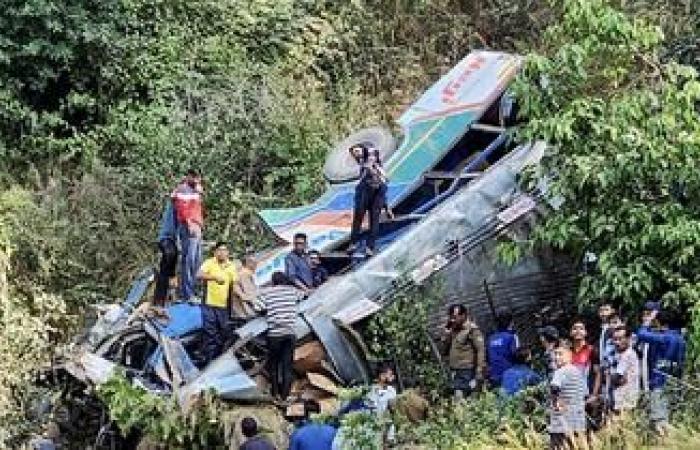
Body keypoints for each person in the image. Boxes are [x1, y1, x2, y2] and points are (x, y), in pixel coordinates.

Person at [636, 308, 686, 434]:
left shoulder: (663, 337)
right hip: (675, 383)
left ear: (659, 322)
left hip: (659, 383)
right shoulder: (681, 339)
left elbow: (641, 334)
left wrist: (647, 321)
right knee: (672, 419)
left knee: (660, 423)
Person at [259, 272, 304, 400]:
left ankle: (275, 393)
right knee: (287, 366)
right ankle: (285, 396)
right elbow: (303, 295)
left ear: (273, 282)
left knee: (273, 364)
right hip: (289, 333)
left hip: (274, 334)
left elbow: (258, 306)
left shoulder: (268, 293)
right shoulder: (292, 291)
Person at [197, 241, 237, 363]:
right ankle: (210, 361)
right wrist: (214, 277)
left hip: (224, 307)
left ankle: (220, 359)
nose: (221, 253)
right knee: (210, 333)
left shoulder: (231, 266)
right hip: (209, 304)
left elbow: (234, 285)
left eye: (224, 250)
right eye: (219, 250)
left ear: (228, 253)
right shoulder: (210, 262)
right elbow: (198, 274)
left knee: (225, 333)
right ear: (215, 252)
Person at [347, 144, 389, 257]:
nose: (371, 157)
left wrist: (386, 207)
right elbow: (364, 169)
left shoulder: (377, 168)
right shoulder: (364, 165)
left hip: (377, 196)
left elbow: (385, 181)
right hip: (365, 194)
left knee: (374, 221)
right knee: (358, 218)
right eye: (369, 155)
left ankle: (369, 247)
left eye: (373, 155)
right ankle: (353, 243)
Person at [172, 169, 204, 301]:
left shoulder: (194, 190)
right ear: (189, 177)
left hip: (197, 225)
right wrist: (190, 223)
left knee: (197, 259)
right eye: (195, 178)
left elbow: (195, 207)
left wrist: (198, 190)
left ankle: (193, 290)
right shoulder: (183, 189)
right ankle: (187, 293)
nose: (197, 180)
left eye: (199, 178)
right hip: (188, 226)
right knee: (189, 260)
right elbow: (182, 208)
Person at [442, 304, 486, 399]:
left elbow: (480, 350)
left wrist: (479, 370)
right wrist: (447, 336)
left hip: (468, 371)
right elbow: (445, 351)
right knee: (458, 399)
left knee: (469, 398)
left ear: (464, 315)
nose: (452, 320)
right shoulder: (453, 330)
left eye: (455, 317)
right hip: (455, 371)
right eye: (451, 318)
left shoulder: (472, 330)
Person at [548, 342, 587, 450]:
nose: (557, 357)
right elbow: (585, 393)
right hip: (578, 422)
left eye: (560, 354)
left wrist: (555, 402)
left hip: (561, 424)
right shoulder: (578, 371)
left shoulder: (560, 371)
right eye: (555, 354)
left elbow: (554, 387)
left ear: (570, 355)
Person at [154, 197, 179, 306]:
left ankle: (162, 298)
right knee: (170, 255)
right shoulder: (177, 201)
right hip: (167, 239)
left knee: (169, 262)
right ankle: (159, 299)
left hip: (171, 241)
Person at [609, 325, 639, 414]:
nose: (617, 342)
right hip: (621, 399)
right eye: (615, 339)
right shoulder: (619, 354)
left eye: (620, 339)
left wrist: (609, 375)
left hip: (625, 401)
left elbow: (616, 378)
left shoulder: (627, 354)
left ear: (628, 339)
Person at [487, 310, 519, 387]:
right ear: (511, 323)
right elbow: (516, 355)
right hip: (509, 375)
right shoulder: (511, 337)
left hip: (494, 376)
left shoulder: (491, 338)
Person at [232, 253, 262, 318]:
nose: (256, 264)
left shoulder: (243, 274)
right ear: (248, 263)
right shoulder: (244, 274)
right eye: (254, 263)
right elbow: (250, 295)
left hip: (242, 313)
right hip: (249, 314)